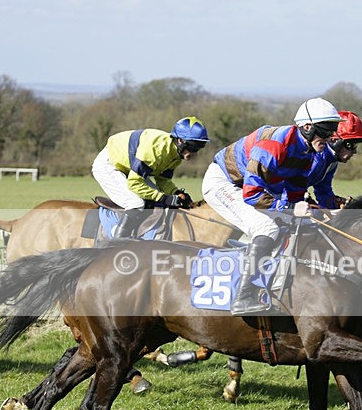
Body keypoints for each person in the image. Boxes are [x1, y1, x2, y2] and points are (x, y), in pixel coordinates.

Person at [202, 97, 343, 315]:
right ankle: (243, 296)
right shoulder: (275, 145)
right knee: (266, 228)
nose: (329, 137)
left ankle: (274, 285)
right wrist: (290, 208)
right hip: (224, 182)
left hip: (251, 187)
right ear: (307, 127)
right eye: (325, 131)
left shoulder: (306, 151)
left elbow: (295, 193)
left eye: (333, 131)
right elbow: (252, 194)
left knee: (296, 223)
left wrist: (316, 212)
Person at [91, 117, 209, 238]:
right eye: (193, 148)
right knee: (135, 203)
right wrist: (164, 198)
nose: (195, 153)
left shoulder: (175, 154)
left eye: (199, 148)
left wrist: (176, 193)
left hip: (128, 167)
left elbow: (163, 180)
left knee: (156, 199)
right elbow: (134, 183)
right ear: (180, 141)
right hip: (109, 164)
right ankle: (117, 240)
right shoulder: (156, 150)